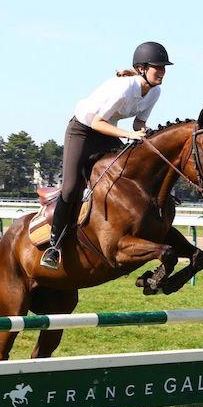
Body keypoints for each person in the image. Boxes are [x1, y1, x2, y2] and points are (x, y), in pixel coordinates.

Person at [40, 41, 172, 269]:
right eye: (157, 67)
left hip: (107, 130)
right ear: (141, 68)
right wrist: (129, 134)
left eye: (163, 68)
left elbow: (139, 121)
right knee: (71, 188)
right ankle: (54, 246)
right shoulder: (123, 88)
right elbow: (96, 122)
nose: (162, 72)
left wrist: (143, 132)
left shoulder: (155, 92)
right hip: (83, 130)